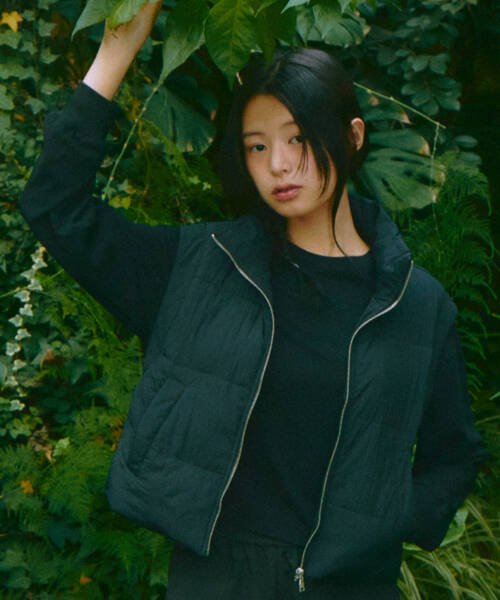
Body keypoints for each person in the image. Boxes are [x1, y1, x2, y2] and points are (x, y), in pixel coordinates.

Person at [18, 2, 491, 599]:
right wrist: (117, 50)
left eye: (299, 138)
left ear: (353, 137)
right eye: (257, 147)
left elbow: (454, 453)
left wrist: (385, 523)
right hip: (219, 582)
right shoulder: (203, 268)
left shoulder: (415, 304)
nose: (280, 165)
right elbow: (56, 206)